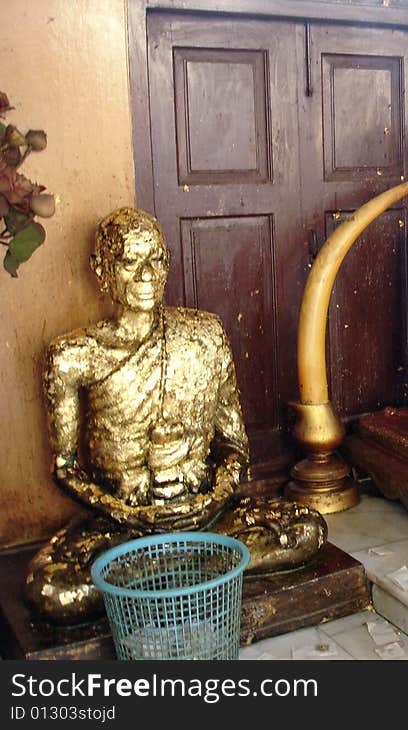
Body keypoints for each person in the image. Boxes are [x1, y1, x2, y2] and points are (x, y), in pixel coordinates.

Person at [26, 208, 327, 624]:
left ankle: (151, 583)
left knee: (307, 529)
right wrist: (128, 513)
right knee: (54, 591)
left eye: (155, 260)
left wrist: (214, 497)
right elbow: (64, 467)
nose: (146, 274)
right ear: (101, 270)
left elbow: (233, 445)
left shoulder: (204, 335)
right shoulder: (73, 357)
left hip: (205, 515)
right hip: (125, 523)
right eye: (130, 262)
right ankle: (206, 572)